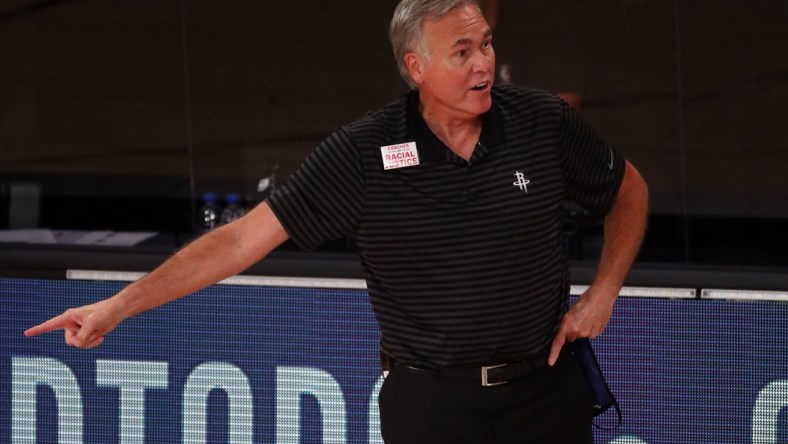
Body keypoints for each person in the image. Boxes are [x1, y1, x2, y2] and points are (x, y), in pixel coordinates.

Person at [25, 0, 648, 442]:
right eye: (462, 52)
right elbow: (243, 239)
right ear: (416, 66)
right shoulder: (365, 151)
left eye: (486, 44)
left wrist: (605, 290)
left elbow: (629, 191)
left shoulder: (542, 123)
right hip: (431, 409)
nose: (483, 62)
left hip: (544, 396)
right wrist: (118, 306)